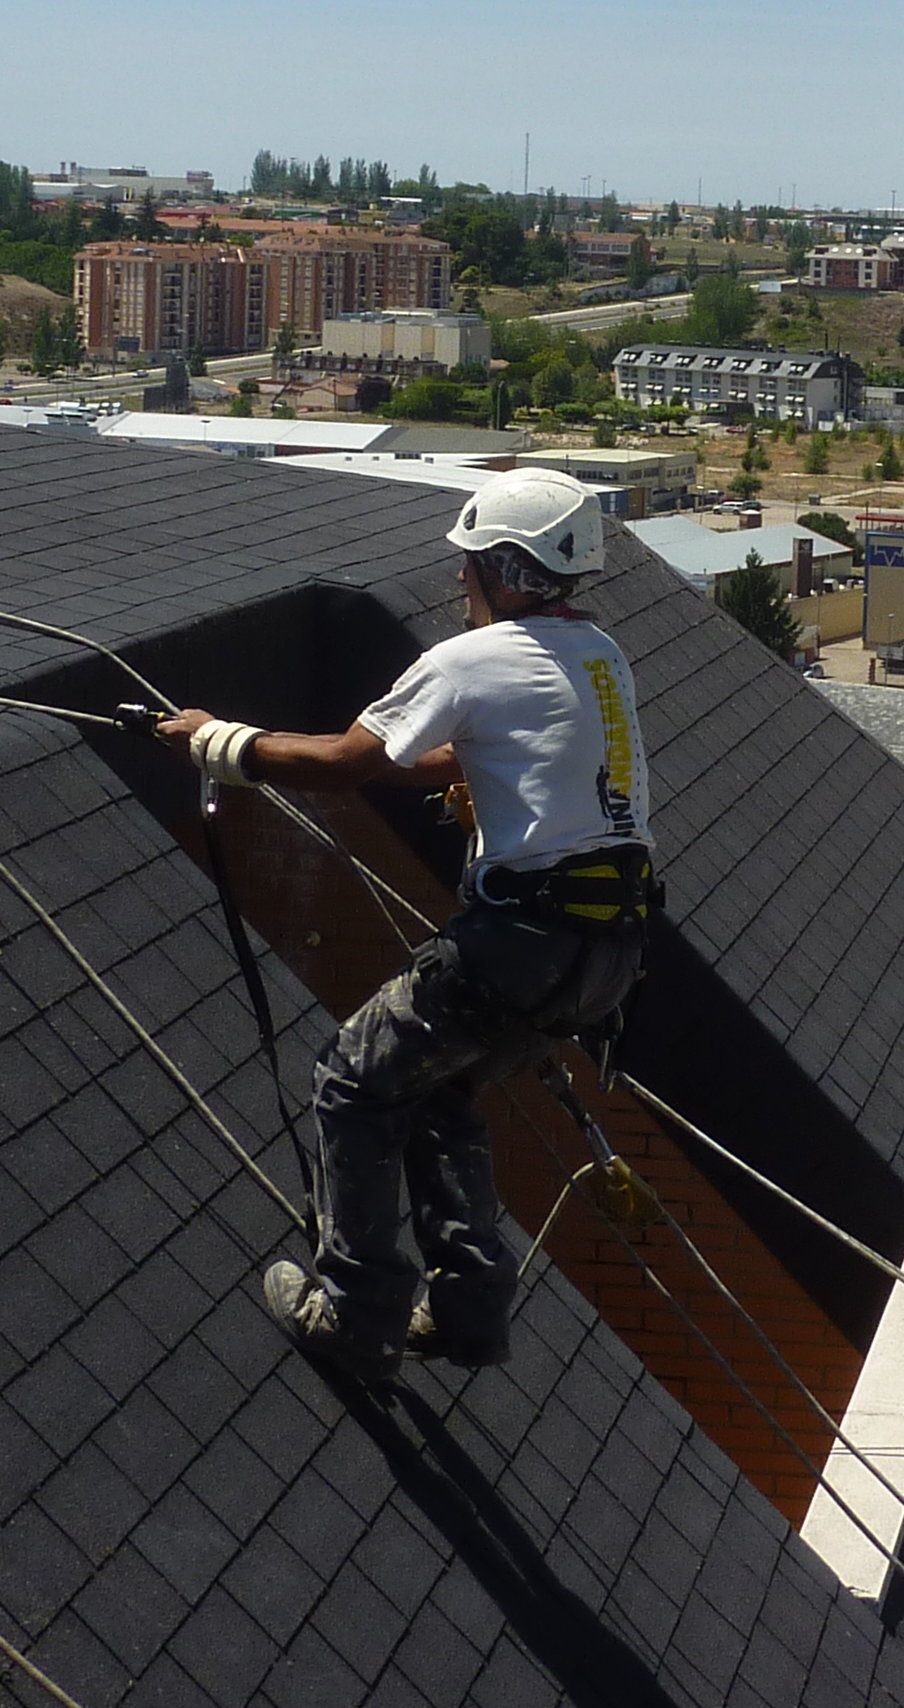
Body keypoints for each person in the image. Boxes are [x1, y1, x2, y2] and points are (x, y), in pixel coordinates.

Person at [155, 468, 653, 1383]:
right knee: (437, 1091)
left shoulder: (475, 659)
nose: (460, 584)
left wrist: (216, 741)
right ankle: (468, 1311)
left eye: (471, 569)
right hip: (603, 956)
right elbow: (460, 756)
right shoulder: (601, 657)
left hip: (516, 944)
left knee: (351, 1079)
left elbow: (348, 761)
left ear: (508, 567)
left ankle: (355, 1309)